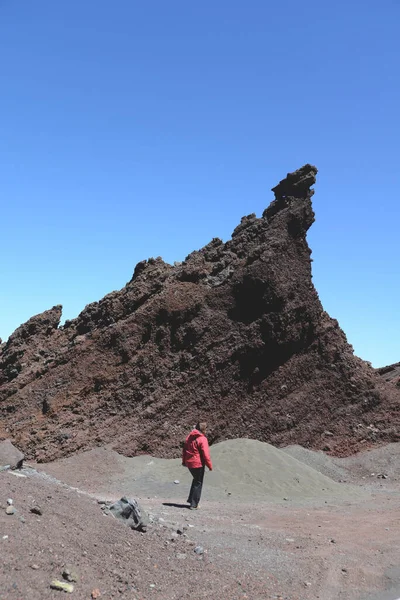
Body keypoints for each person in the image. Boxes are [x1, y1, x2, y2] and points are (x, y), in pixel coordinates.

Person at [182, 422, 213, 510]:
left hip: (189, 463)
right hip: (198, 464)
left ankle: (191, 500)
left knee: (195, 480)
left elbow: (184, 449)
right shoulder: (202, 439)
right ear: (203, 429)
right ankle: (194, 504)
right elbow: (206, 455)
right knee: (198, 483)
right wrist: (210, 466)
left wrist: (184, 461)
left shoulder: (190, 437)